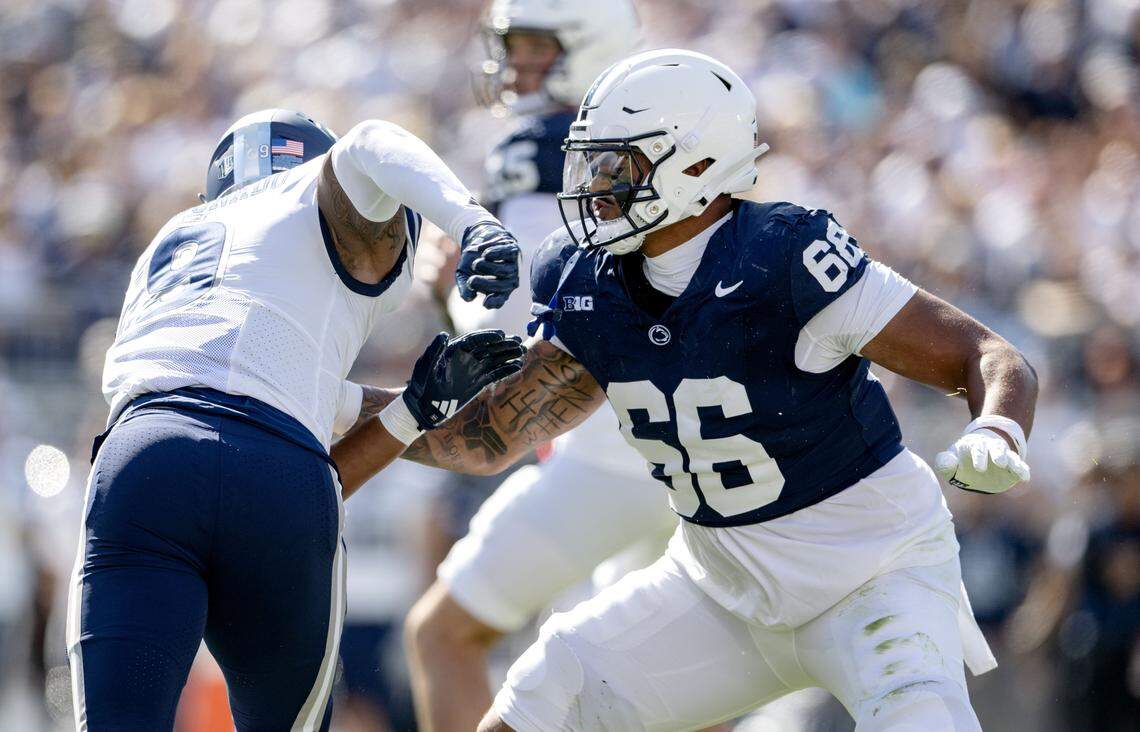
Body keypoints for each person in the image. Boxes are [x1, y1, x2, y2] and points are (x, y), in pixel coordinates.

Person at [333, 50, 1038, 731]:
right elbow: (486, 439)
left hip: (872, 575)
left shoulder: (785, 256)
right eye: (592, 162)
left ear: (697, 165)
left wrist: (997, 429)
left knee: (919, 717)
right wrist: (335, 403)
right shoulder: (589, 283)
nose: (594, 185)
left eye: (619, 164)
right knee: (554, 683)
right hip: (719, 584)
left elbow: (985, 354)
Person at [67, 107, 524, 731]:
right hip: (276, 477)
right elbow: (370, 143)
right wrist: (474, 225)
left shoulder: (171, 254)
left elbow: (260, 404)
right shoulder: (304, 200)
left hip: (144, 462)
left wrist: (415, 409)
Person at [402, 3, 676, 731]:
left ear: (589, 47)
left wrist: (446, 292)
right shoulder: (671, 127)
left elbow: (510, 332)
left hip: (610, 451)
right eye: (513, 48)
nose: (518, 66)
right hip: (695, 445)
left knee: (441, 635)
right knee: (667, 693)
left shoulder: (547, 143)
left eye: (536, 49)